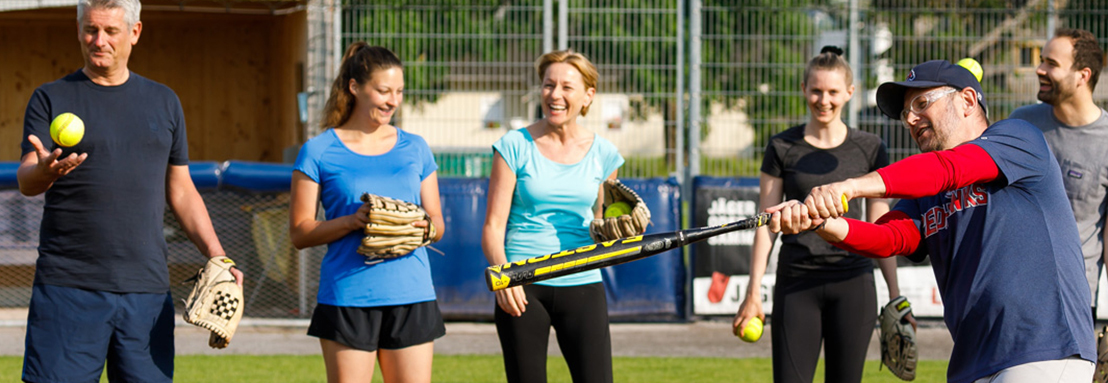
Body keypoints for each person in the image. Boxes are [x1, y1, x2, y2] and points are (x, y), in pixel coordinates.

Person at [770, 59, 1096, 382]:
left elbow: (947, 169)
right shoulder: (927, 192)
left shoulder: (1017, 137)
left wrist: (851, 186)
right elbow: (888, 239)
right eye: (905, 113)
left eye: (922, 103)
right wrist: (818, 221)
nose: (911, 118)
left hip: (1043, 351)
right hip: (973, 362)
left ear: (967, 100)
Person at [16, 0, 244, 382]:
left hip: (147, 292)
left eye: (110, 31)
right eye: (90, 30)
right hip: (67, 288)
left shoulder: (164, 102)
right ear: (78, 30)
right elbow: (26, 179)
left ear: (134, 33)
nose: (98, 40)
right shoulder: (50, 98)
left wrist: (218, 256)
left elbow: (182, 189)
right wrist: (44, 171)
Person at [730, 46, 911, 383]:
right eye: (816, 90)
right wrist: (753, 291)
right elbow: (766, 223)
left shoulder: (871, 147)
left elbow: (881, 228)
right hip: (797, 280)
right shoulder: (782, 146)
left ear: (850, 93)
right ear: (803, 89)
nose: (823, 100)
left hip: (853, 282)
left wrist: (895, 294)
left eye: (832, 92)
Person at [289, 43, 446, 383]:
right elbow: (300, 233)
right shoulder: (318, 151)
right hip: (348, 296)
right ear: (355, 87)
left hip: (412, 294)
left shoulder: (416, 147)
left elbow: (438, 224)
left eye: (399, 91)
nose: (393, 101)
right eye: (383, 90)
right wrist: (352, 221)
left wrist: (421, 226)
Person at [482, 49, 622, 383]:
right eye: (548, 85)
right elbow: (492, 226)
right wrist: (504, 276)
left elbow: (604, 227)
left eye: (566, 87)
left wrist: (621, 227)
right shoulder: (514, 145)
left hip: (583, 279)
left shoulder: (605, 154)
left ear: (588, 95)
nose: (555, 95)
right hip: (523, 283)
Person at [1009, 28, 1108, 320]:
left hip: (1073, 301)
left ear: (1083, 75)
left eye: (1051, 63)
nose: (1039, 69)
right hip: (1011, 290)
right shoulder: (1021, 124)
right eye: (1041, 60)